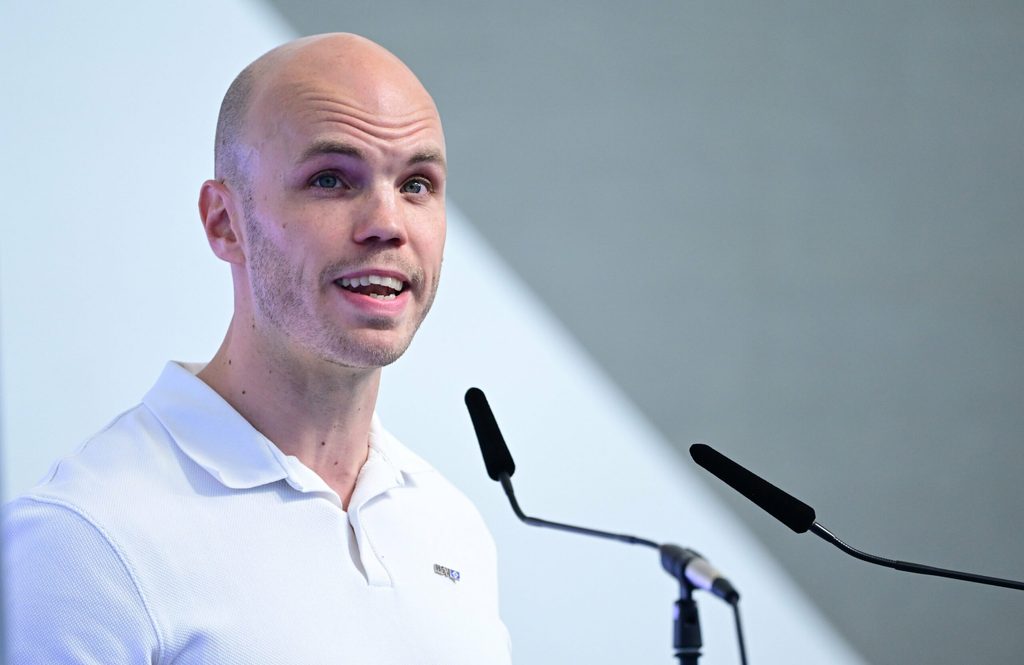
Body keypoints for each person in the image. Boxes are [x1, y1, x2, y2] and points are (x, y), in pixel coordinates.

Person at [3, 33, 511, 664]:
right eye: (331, 179)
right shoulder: (82, 540)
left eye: (416, 184)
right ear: (224, 222)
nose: (389, 223)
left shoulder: (449, 525)